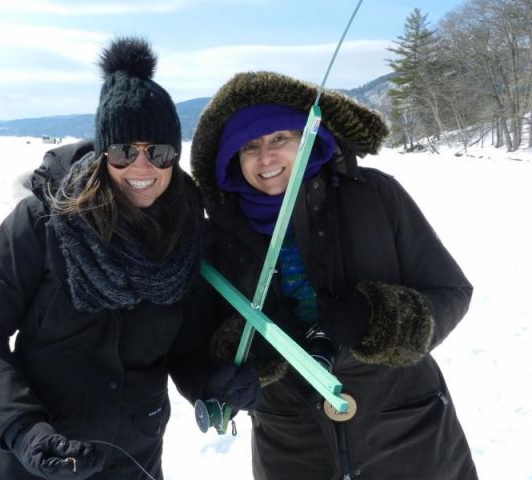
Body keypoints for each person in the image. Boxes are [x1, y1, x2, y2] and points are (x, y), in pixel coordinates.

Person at [0, 37, 258, 480]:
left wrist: (211, 382)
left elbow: (185, 347)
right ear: (102, 154)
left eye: (160, 151)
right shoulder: (43, 222)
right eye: (124, 151)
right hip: (34, 458)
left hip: (133, 459)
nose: (142, 166)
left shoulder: (191, 235)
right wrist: (23, 429)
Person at [189, 71, 478, 479]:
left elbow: (450, 289)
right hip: (291, 442)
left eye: (279, 139)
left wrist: (383, 321)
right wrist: (249, 353)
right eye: (250, 146)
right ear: (231, 159)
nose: (266, 158)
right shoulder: (218, 235)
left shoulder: (375, 195)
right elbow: (201, 341)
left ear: (308, 137)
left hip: (406, 432)